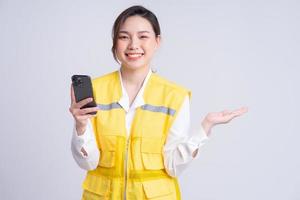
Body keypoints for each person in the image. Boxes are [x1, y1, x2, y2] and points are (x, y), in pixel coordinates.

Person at [69, 5, 248, 200]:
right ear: (115, 43)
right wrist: (80, 125)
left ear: (157, 41)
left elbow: (172, 166)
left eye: (143, 36)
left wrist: (205, 128)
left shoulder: (174, 96)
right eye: (124, 37)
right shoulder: (95, 90)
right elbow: (89, 163)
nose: (133, 45)